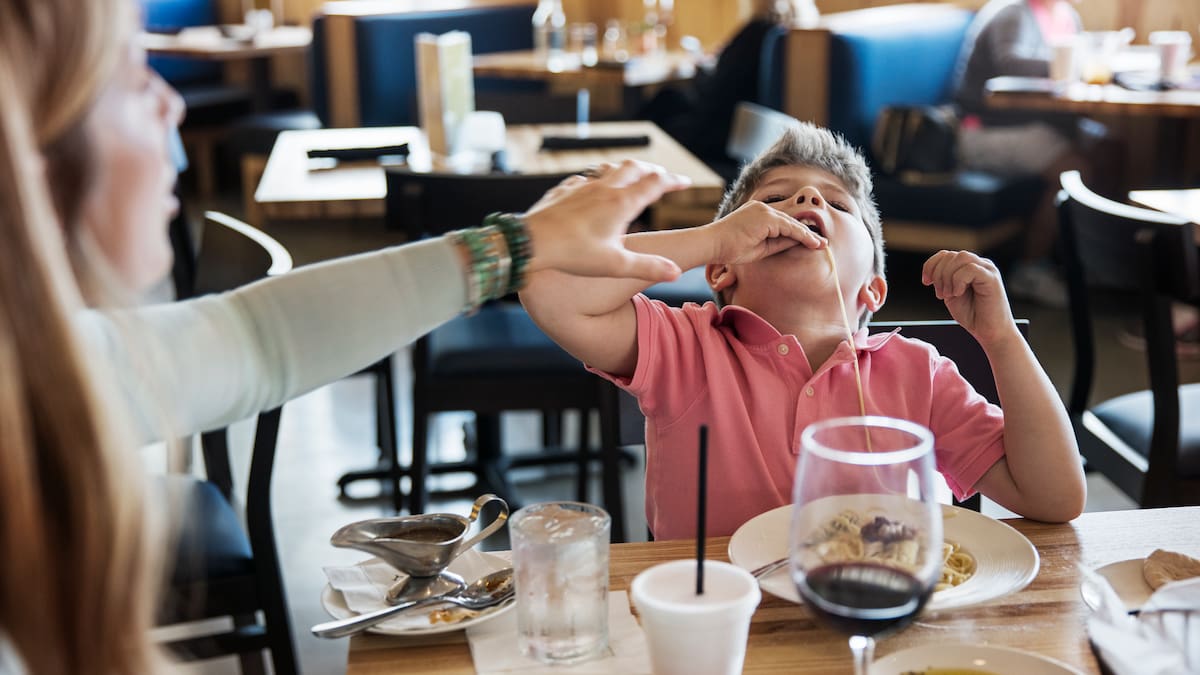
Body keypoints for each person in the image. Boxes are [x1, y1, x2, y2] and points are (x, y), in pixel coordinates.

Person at [0, 0, 692, 670]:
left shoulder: (43, 372)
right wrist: (516, 246)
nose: (170, 104)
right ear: (27, 153)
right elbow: (254, 338)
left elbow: (256, 337)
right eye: (129, 74)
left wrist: (516, 247)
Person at [520, 123, 1086, 540]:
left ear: (872, 290)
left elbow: (1055, 496)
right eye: (772, 201)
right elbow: (547, 284)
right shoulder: (687, 347)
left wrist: (1003, 338)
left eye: (838, 204)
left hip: (876, 618)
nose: (806, 201)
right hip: (729, 630)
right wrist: (708, 239)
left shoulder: (920, 374)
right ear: (723, 270)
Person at [951, 0, 1117, 307]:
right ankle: (1031, 268)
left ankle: (1092, 262)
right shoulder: (1012, 12)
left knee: (1109, 147)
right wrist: (1080, 63)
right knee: (1073, 168)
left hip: (1037, 122)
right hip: (985, 129)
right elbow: (1010, 64)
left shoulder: (1067, 14)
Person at [641, 0, 812, 179]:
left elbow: (718, 91)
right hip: (751, 129)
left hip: (723, 135)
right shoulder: (791, 36)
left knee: (665, 100)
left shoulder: (755, 32)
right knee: (670, 97)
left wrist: (702, 70)